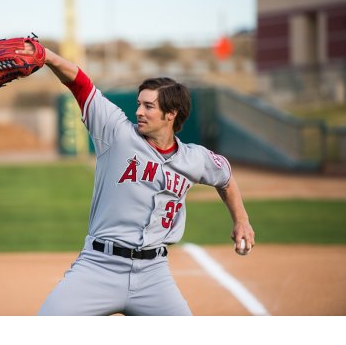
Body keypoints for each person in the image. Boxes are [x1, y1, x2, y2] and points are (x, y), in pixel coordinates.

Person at [19, 42, 256, 316]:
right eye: (139, 104)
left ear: (171, 114)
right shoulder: (117, 133)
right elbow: (80, 83)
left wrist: (241, 220)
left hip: (153, 275)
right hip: (99, 267)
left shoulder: (195, 158)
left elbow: (225, 179)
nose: (139, 111)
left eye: (148, 106)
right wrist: (47, 56)